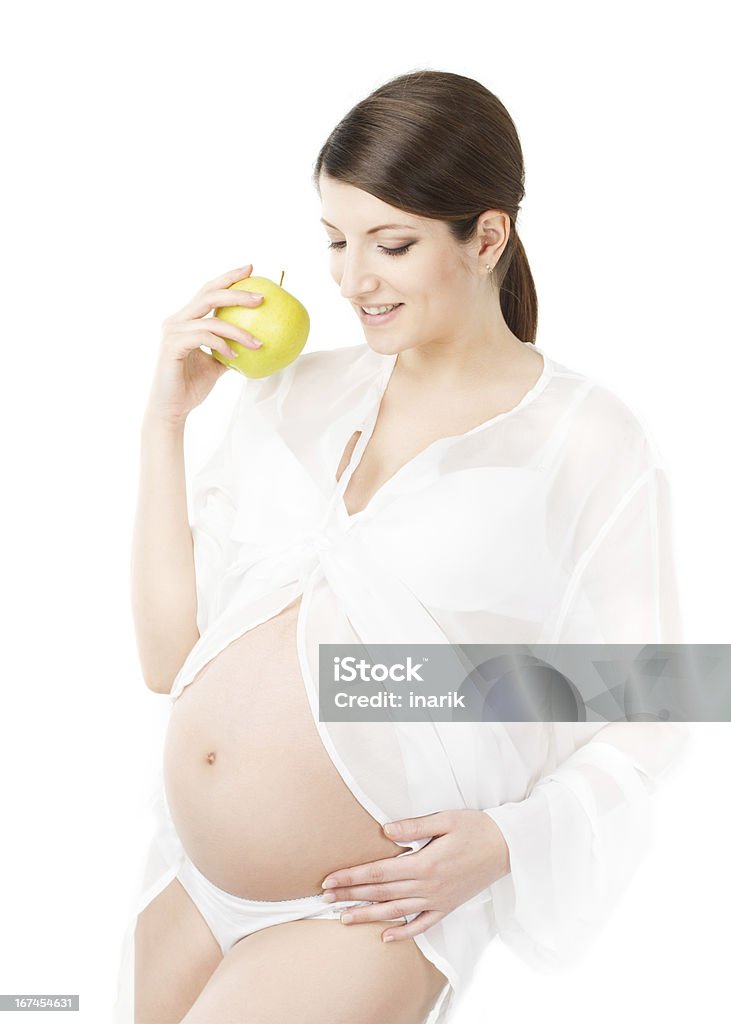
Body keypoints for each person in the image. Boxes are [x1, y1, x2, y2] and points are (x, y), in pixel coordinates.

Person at [114, 69, 688, 1024]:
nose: (350, 280)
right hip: (186, 882)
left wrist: (510, 839)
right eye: (334, 241)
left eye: (390, 244)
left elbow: (657, 694)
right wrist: (163, 419)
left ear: (486, 236)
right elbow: (169, 659)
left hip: (364, 908)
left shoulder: (584, 434)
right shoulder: (292, 394)